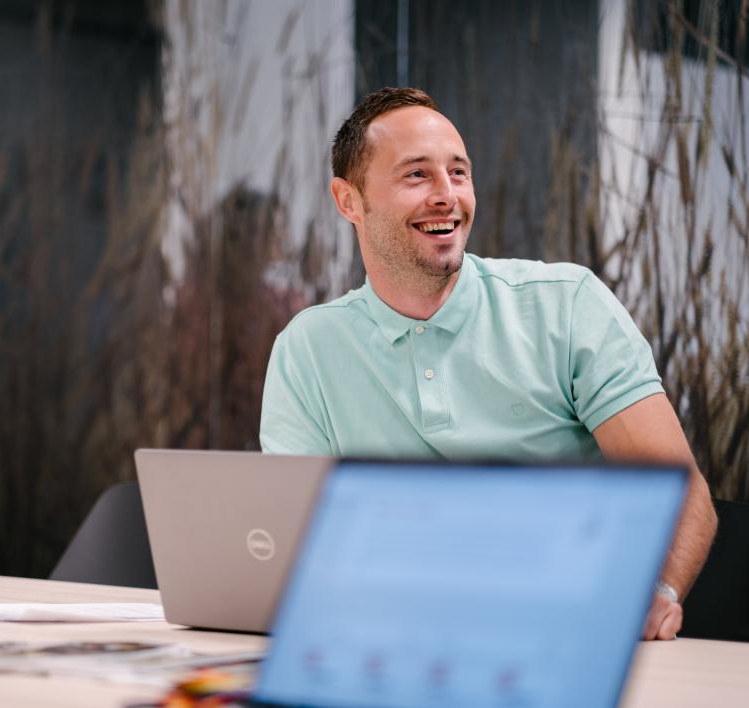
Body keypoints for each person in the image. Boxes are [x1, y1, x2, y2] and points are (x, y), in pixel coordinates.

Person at [259, 87, 718, 640]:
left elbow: (682, 493)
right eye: (416, 176)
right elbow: (301, 546)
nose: (447, 196)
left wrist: (656, 595)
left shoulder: (567, 304)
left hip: (563, 637)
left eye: (458, 172)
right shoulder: (306, 348)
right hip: (395, 642)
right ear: (348, 200)